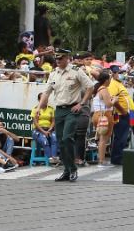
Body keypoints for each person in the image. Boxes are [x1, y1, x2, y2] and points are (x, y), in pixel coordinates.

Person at [37, 51, 96, 182]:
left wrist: (82, 103)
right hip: (59, 110)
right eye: (56, 58)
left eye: (61, 58)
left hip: (72, 108)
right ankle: (67, 170)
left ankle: (73, 169)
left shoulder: (76, 71)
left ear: (67, 59)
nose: (58, 60)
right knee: (60, 141)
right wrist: (39, 108)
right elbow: (46, 93)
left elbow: (90, 87)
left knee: (67, 137)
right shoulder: (53, 73)